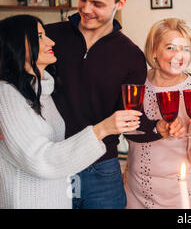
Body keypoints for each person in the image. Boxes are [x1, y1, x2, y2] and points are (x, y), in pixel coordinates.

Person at [0, 15, 141, 208]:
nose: (51, 41)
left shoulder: (44, 92)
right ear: (14, 45)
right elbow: (39, 159)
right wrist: (102, 129)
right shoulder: (7, 93)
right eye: (39, 36)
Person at [45, 0, 150, 209]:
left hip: (101, 170)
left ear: (120, 3)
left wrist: (164, 128)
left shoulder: (132, 56)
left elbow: (132, 117)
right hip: (51, 163)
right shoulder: (48, 36)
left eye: (97, 4)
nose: (86, 8)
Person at [125, 18, 191, 208]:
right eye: (171, 48)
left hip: (180, 195)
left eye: (186, 49)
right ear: (154, 51)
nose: (179, 56)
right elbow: (127, 131)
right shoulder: (136, 84)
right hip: (135, 191)